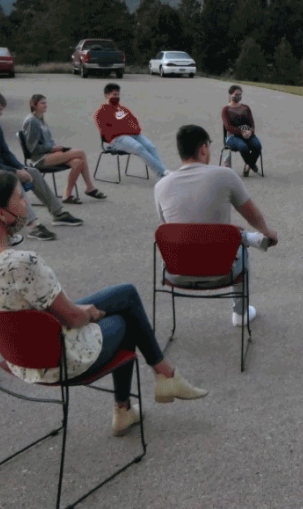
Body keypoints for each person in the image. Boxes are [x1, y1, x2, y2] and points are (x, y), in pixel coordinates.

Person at [0, 170, 207, 437]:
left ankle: (161, 378)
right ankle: (135, 399)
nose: (26, 203)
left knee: (125, 294)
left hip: (18, 355)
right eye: (19, 198)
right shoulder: (22, 263)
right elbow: (73, 319)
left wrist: (77, 312)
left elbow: (17, 308)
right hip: (55, 359)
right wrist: (86, 313)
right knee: (125, 319)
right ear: (2, 214)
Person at [154, 125, 279, 327]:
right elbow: (252, 215)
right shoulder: (225, 175)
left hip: (176, 272)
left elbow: (169, 228)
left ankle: (244, 237)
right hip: (221, 270)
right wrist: (267, 232)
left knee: (223, 233)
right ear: (203, 148)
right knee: (235, 242)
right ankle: (240, 313)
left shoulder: (161, 186)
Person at [0, 89, 82, 242]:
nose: (0, 113)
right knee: (12, 179)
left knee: (31, 171)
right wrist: (15, 172)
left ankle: (58, 213)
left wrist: (21, 168)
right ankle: (32, 225)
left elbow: (6, 153)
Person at [21, 93, 107, 204]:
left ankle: (67, 195)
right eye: (42, 103)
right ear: (35, 104)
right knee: (80, 152)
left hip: (49, 154)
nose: (45, 105)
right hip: (40, 158)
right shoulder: (32, 121)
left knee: (78, 162)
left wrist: (57, 148)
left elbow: (48, 141)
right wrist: (53, 148)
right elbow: (32, 148)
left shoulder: (41, 118)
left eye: (46, 103)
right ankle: (89, 187)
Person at [93, 83, 169, 179]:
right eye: (114, 95)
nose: (117, 97)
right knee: (139, 147)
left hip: (134, 135)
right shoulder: (101, 112)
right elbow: (108, 131)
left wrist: (123, 127)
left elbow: (135, 124)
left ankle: (163, 172)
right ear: (106, 95)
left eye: (118, 95)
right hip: (117, 139)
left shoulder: (123, 109)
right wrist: (124, 128)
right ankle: (162, 173)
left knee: (151, 147)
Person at [221, 84, 261, 177]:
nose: (238, 96)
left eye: (240, 94)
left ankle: (247, 166)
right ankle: (252, 165)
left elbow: (252, 123)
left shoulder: (246, 108)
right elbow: (228, 127)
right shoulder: (226, 110)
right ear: (230, 94)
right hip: (232, 136)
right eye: (236, 94)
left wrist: (250, 131)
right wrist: (241, 133)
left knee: (257, 145)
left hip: (247, 134)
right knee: (243, 147)